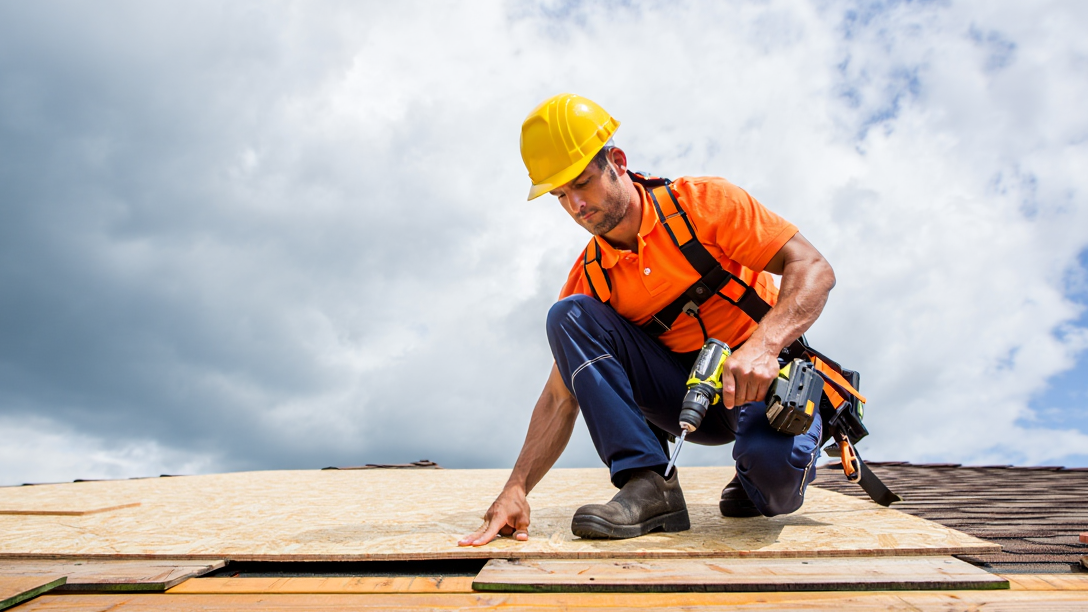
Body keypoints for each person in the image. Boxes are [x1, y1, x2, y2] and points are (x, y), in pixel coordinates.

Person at [459, 93, 837, 545]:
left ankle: (758, 475)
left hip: (757, 384)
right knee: (568, 315)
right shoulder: (592, 276)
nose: (576, 206)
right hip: (680, 400)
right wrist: (516, 487)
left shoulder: (704, 205)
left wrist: (764, 346)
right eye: (560, 195)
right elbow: (562, 397)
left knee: (770, 484)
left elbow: (813, 268)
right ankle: (648, 483)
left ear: (617, 161)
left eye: (582, 182)